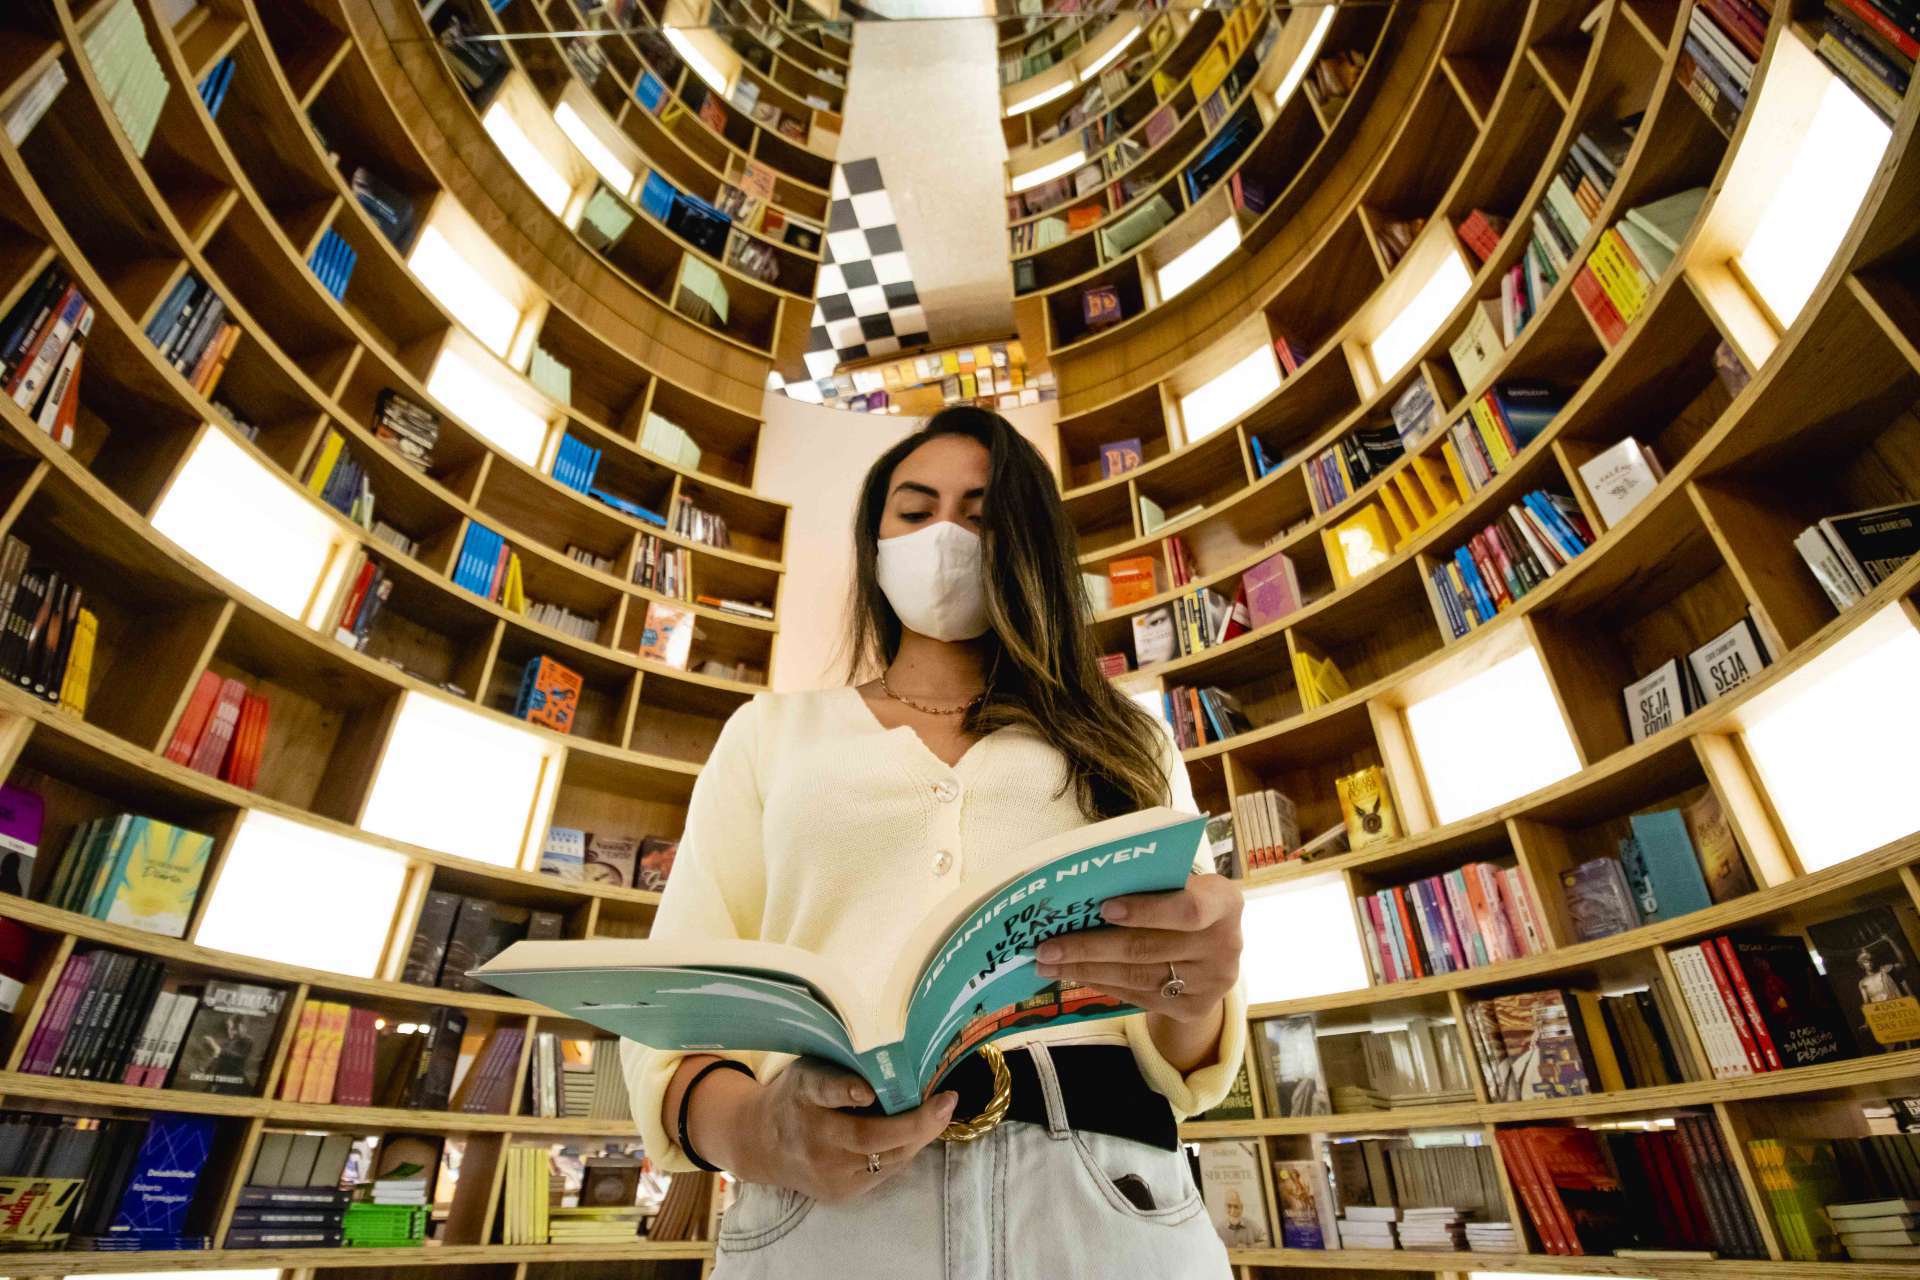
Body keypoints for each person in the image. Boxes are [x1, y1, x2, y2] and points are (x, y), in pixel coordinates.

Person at [622, 407, 1248, 1277]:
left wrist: (1198, 988)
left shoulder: (1128, 738)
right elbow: (672, 1013)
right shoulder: (771, 733)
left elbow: (1181, 1046)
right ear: (874, 547)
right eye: (915, 514)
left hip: (1103, 1200)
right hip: (827, 1207)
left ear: (1029, 541)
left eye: (982, 513)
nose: (946, 536)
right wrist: (760, 1136)